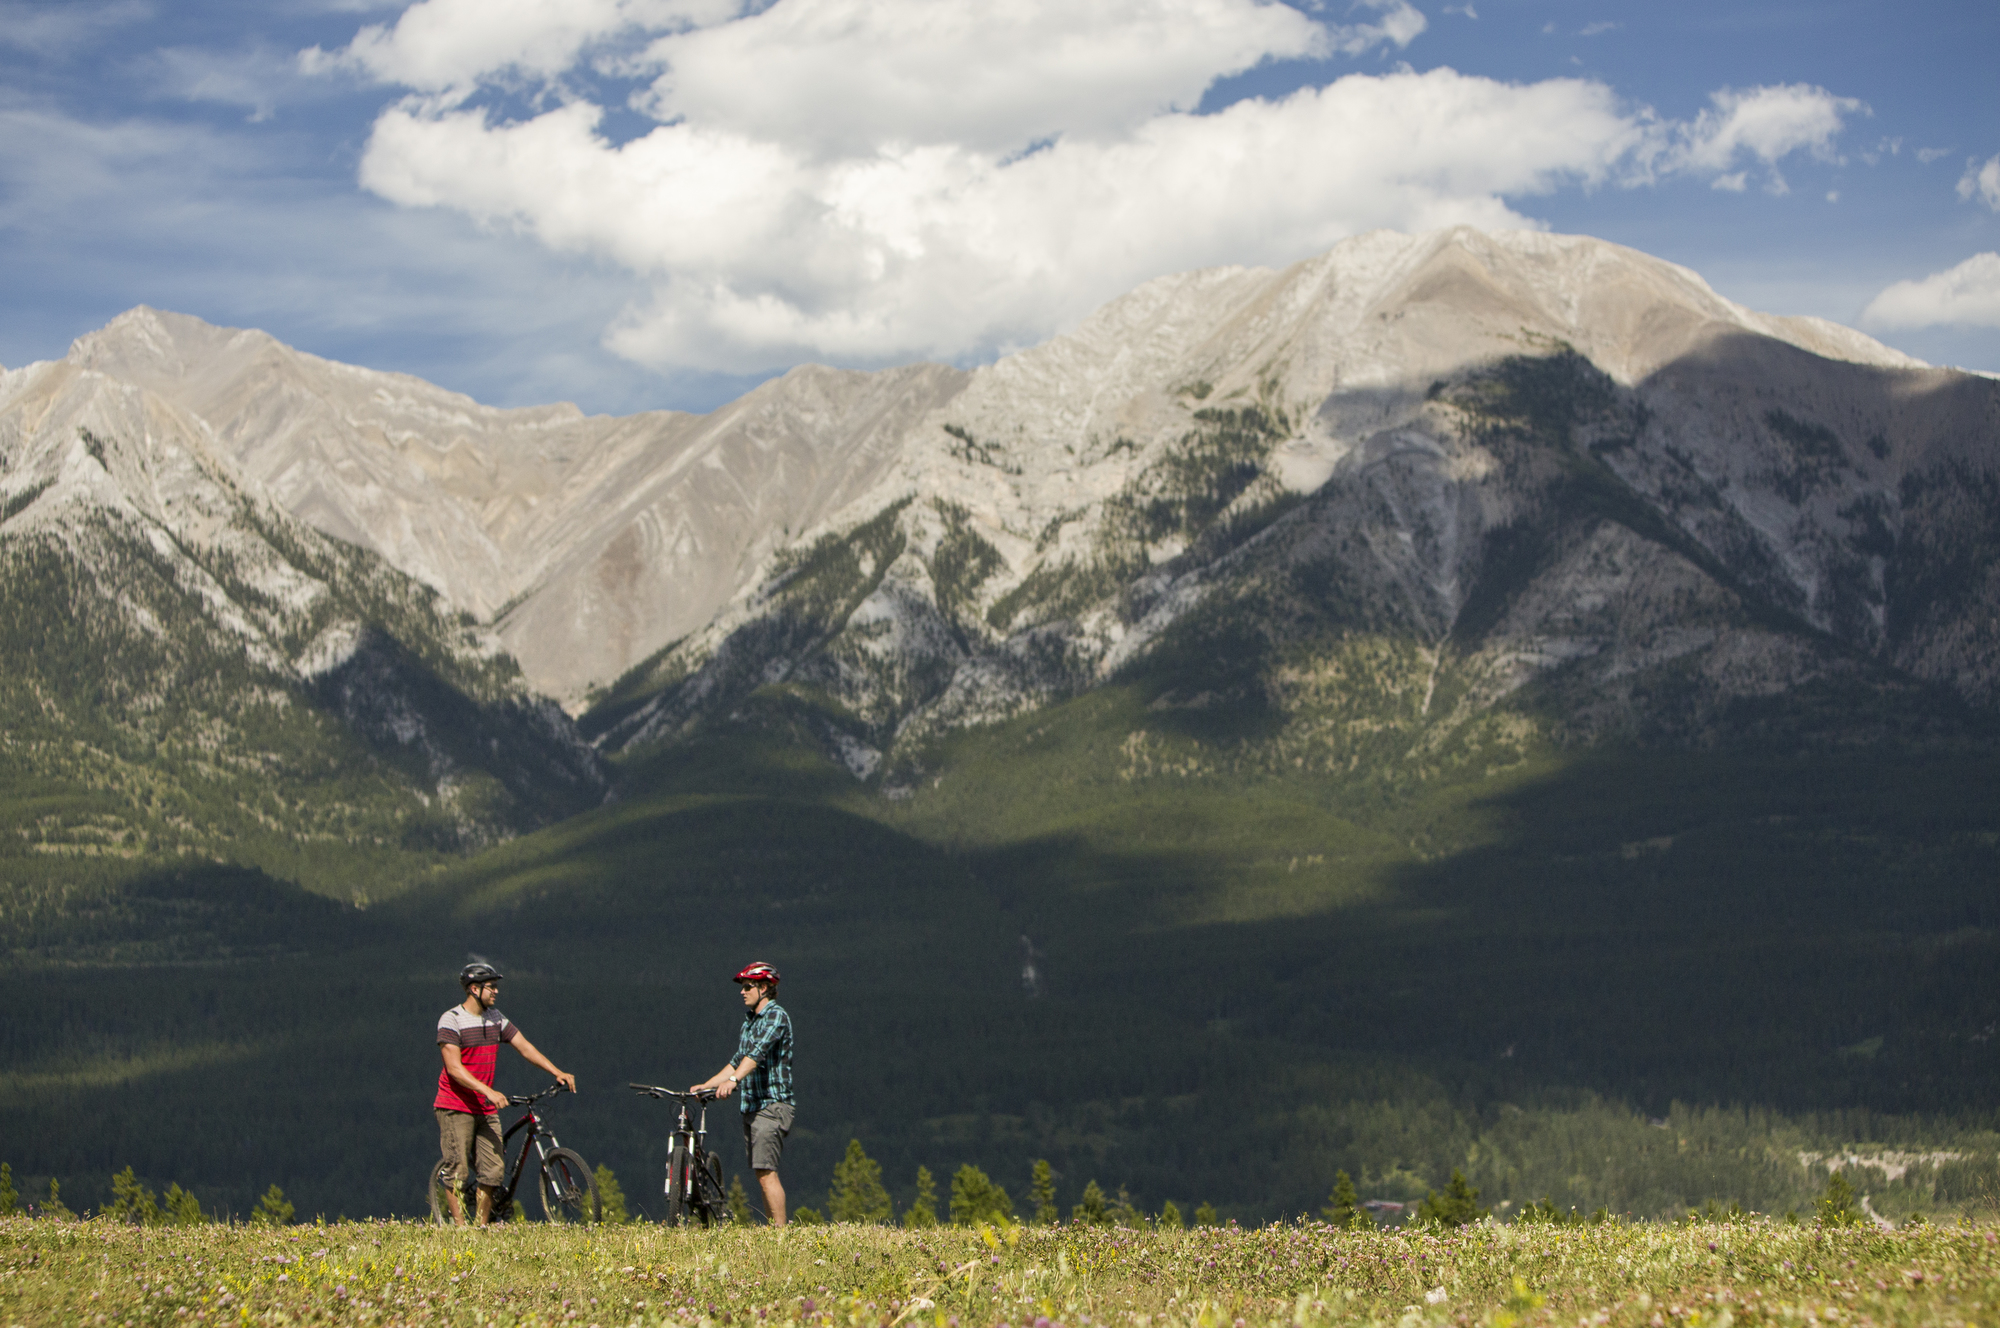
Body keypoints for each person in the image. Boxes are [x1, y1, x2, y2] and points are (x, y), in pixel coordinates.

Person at [434, 962, 576, 1227]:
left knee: (493, 1170)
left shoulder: (496, 1018)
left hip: (484, 1107)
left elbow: (524, 1046)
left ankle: (481, 1228)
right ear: (474, 989)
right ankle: (459, 1231)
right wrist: (487, 1090)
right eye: (491, 987)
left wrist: (556, 1071)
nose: (496, 991)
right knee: (458, 1170)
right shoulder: (451, 1019)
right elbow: (454, 1068)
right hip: (455, 1105)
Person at [692, 961, 794, 1226]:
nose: (742, 992)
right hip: (753, 1107)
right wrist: (707, 1086)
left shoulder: (776, 1016)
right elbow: (737, 1061)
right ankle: (773, 1231)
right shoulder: (749, 1022)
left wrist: (734, 1080)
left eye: (748, 986)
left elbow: (755, 1056)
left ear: (764, 988)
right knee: (762, 1173)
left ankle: (781, 1235)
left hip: (771, 1105)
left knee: (767, 1172)